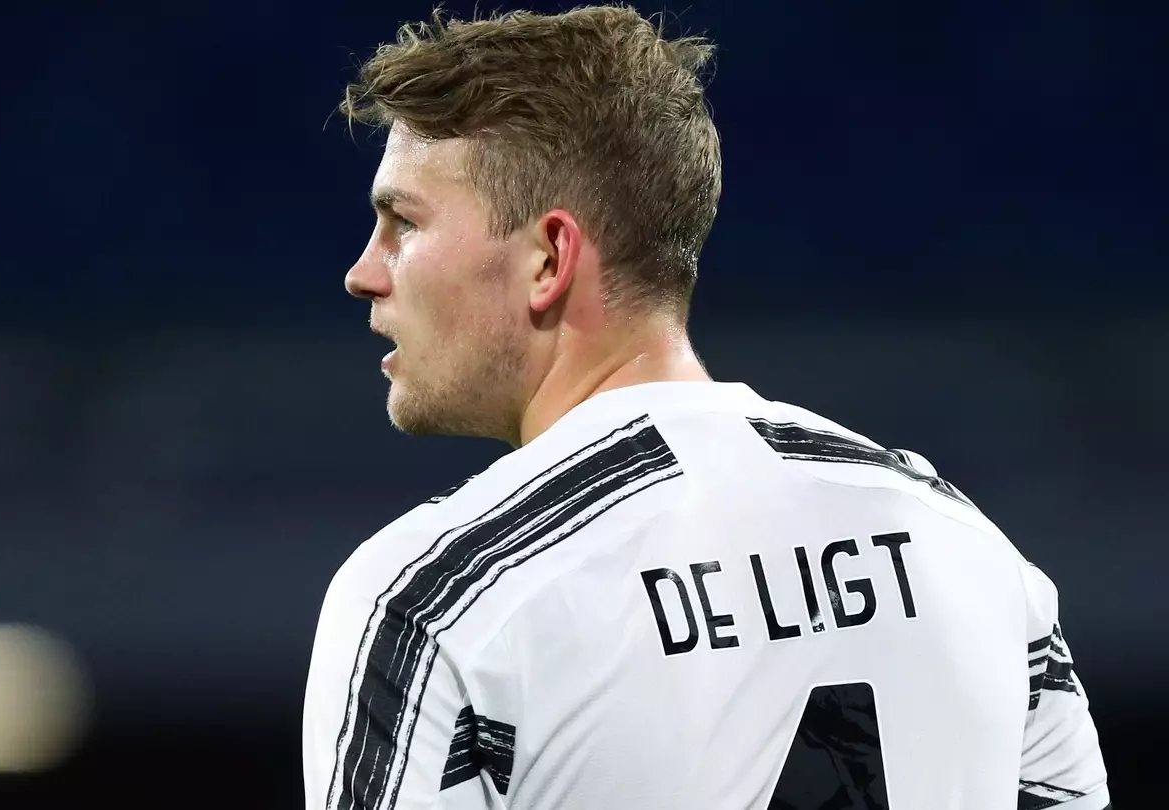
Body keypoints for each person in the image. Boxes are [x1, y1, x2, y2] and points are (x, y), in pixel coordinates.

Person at [302, 6, 1111, 809]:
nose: (362, 272)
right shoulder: (966, 548)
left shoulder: (440, 600)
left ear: (548, 257)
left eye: (402, 222)